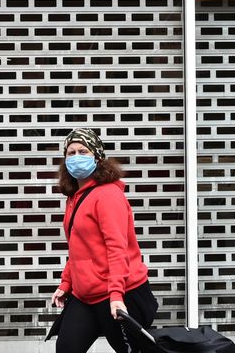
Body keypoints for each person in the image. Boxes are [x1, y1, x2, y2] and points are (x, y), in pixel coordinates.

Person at [49, 128, 158, 353]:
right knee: (67, 348)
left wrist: (117, 295)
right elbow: (79, 249)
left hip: (117, 292)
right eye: (71, 152)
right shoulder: (74, 197)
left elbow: (118, 249)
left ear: (97, 158)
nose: (76, 156)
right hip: (85, 295)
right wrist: (66, 283)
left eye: (83, 151)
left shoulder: (107, 195)